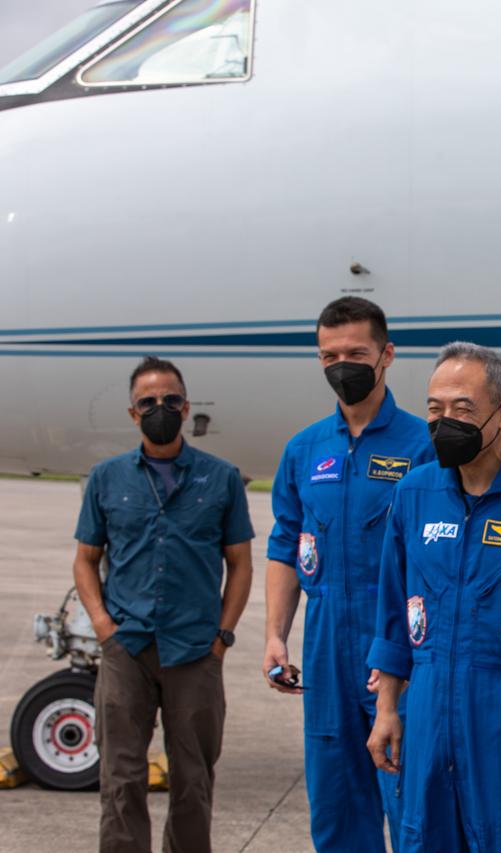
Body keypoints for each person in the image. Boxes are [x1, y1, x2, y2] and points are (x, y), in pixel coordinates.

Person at [366, 341, 501, 852]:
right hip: (426, 712)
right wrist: (387, 709)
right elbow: (392, 612)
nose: (444, 420)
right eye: (434, 409)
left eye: (462, 409)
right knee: (424, 836)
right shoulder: (414, 493)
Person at [263, 297, 434, 852]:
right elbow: (286, 546)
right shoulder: (303, 449)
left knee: (410, 800)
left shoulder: (424, 445)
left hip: (399, 638)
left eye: (355, 352)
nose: (342, 364)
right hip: (326, 639)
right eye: (329, 354)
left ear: (386, 355)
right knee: (336, 803)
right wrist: (274, 634)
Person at [73, 356, 254, 853]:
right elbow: (86, 560)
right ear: (133, 413)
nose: (160, 409)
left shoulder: (220, 479)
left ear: (186, 406)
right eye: (148, 403)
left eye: (171, 401)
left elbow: (240, 564)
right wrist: (103, 627)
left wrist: (222, 637)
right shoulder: (106, 479)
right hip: (126, 650)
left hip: (196, 651)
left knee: (194, 781)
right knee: (121, 778)